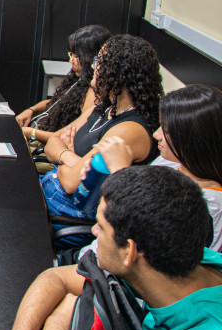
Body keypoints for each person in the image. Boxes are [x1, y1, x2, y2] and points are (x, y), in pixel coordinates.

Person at [7, 165, 222, 330]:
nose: (93, 232)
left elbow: (67, 298)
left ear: (129, 251)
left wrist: (61, 318)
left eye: (100, 226)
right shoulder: (183, 256)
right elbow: (56, 278)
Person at [83, 85, 222, 251]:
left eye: (166, 129)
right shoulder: (171, 163)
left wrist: (120, 173)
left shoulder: (210, 205)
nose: (156, 134)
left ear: (192, 140)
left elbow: (150, 244)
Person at [41, 34, 162, 220]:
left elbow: (71, 183)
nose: (92, 66)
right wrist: (69, 157)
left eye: (100, 61)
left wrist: (61, 159)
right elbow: (53, 141)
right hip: (50, 192)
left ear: (119, 72)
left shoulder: (129, 129)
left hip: (66, 214)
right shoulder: (105, 106)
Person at [16, 25, 112, 145]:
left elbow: (74, 134)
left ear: (89, 58)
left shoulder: (94, 93)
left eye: (74, 55)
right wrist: (31, 110)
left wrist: (32, 133)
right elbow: (58, 101)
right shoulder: (80, 78)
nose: (70, 60)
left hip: (52, 145)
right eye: (69, 54)